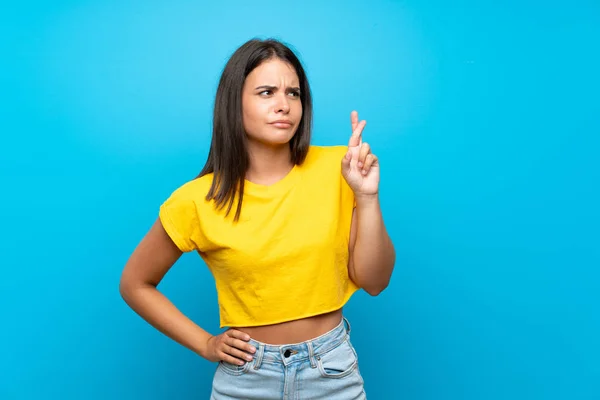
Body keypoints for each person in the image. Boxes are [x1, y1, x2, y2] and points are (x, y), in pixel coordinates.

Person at [119, 38, 396, 399]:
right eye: (266, 92)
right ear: (233, 102)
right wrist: (205, 343)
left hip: (331, 372)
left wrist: (366, 196)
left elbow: (375, 282)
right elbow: (135, 284)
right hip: (246, 379)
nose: (284, 106)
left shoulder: (339, 168)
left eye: (293, 93)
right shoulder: (197, 200)